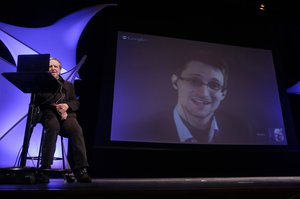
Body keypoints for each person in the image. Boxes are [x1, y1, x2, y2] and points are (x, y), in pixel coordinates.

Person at [169, 51, 252, 144]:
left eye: (214, 85)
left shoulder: (241, 132)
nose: (203, 94)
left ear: (223, 94)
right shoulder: (151, 129)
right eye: (194, 81)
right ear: (175, 81)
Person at [35, 57, 91, 183]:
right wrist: (57, 107)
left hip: (67, 115)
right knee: (53, 126)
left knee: (76, 129)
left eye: (55, 66)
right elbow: (41, 98)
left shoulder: (68, 85)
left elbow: (75, 102)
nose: (53, 68)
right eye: (50, 66)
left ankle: (81, 169)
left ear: (60, 70)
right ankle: (45, 168)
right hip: (49, 113)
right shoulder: (41, 83)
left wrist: (67, 106)